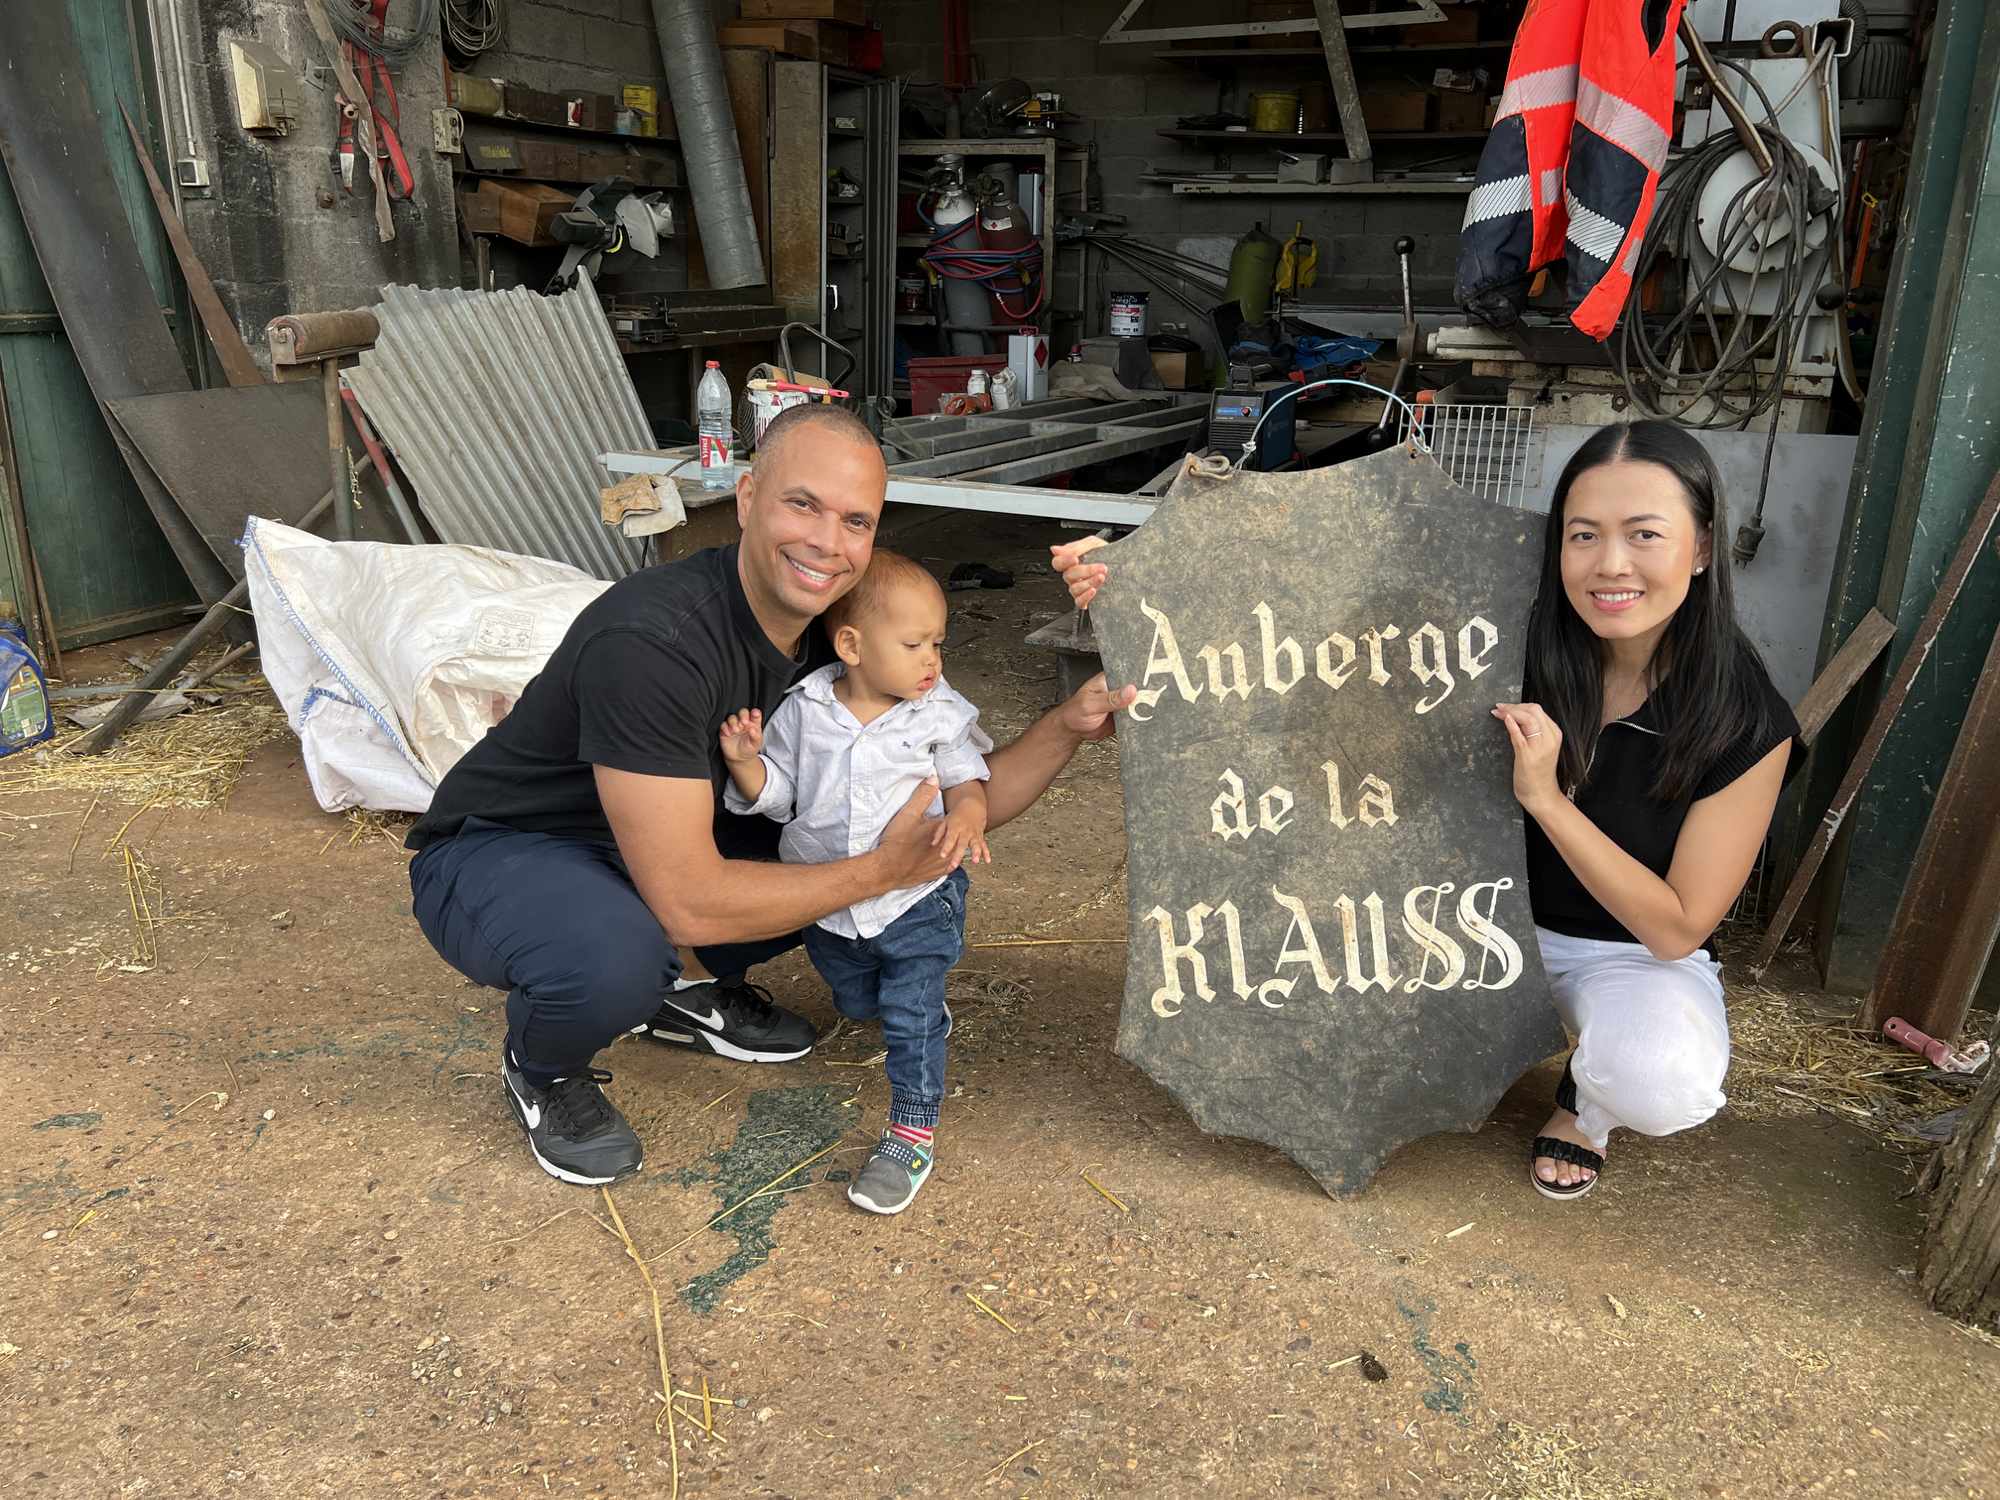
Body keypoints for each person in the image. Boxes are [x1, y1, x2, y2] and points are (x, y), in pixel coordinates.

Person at [1053, 419, 1802, 1202]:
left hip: (1614, 951)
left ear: (1704, 547)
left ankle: (1589, 1113)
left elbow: (1678, 928)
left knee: (1663, 1082)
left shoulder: (1745, 721)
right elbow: (1314, 594)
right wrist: (1139, 577)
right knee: (1282, 964)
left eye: (1645, 534)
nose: (1610, 564)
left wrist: (1546, 800)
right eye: (1584, 535)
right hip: (1436, 910)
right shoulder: (1509, 624)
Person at [408, 403, 1135, 1188]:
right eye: (802, 504)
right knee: (612, 957)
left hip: (668, 842)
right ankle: (543, 1066)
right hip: (511, 848)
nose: (828, 542)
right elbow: (694, 899)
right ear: (748, 497)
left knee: (837, 822)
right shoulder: (655, 643)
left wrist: (1089, 662)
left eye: (856, 521)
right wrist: (882, 872)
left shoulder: (847, 627)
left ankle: (680, 991)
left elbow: (947, 797)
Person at [719, 549, 990, 1216]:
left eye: (938, 643)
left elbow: (966, 777)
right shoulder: (804, 711)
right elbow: (780, 798)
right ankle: (901, 1009)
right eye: (914, 643)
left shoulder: (939, 712)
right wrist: (748, 765)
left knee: (909, 1009)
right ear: (852, 645)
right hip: (831, 902)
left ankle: (911, 1129)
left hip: (916, 898)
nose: (933, 659)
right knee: (858, 1001)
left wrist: (971, 816)